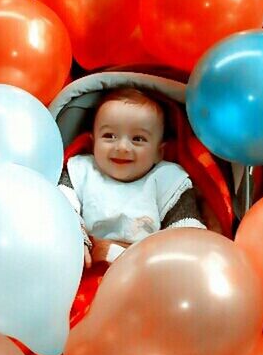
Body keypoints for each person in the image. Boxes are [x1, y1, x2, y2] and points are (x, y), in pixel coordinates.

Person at [58, 86, 206, 267]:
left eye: (138, 139)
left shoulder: (166, 179)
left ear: (159, 152)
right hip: (87, 261)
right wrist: (74, 239)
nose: (122, 147)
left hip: (149, 265)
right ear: (92, 143)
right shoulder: (82, 170)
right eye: (109, 136)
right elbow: (61, 206)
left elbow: (186, 228)